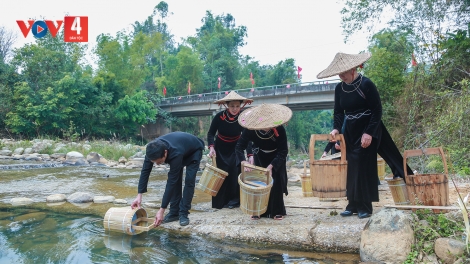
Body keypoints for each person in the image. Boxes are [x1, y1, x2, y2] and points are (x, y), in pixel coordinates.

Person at [317, 52, 413, 219]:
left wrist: (369, 133)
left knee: (365, 166)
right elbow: (339, 112)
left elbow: (377, 110)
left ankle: (365, 206)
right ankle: (352, 203)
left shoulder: (366, 84)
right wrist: (336, 129)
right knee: (352, 167)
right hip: (350, 130)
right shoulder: (340, 88)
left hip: (369, 128)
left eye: (343, 73)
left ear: (353, 69)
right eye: (339, 74)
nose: (341, 76)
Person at [131, 132, 204, 227]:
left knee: (189, 180)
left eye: (160, 162)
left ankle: (183, 213)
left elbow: (171, 182)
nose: (157, 164)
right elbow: (145, 171)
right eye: (155, 162)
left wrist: (161, 210)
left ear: (165, 153)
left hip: (194, 150)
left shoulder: (175, 152)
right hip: (181, 148)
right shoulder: (152, 151)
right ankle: (174, 213)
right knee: (176, 179)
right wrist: (139, 195)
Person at [235, 104, 292, 220]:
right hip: (259, 155)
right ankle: (258, 210)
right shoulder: (250, 130)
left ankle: (277, 210)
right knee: (259, 183)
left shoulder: (280, 129)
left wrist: (271, 166)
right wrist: (244, 161)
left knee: (276, 183)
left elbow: (283, 151)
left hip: (276, 157)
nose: (267, 127)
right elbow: (239, 147)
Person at [207, 91, 253, 209]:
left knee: (235, 173)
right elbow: (211, 133)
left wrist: (250, 155)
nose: (235, 109)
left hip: (236, 148)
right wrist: (211, 147)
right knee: (221, 174)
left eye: (237, 106)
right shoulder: (219, 117)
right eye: (232, 106)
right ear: (227, 105)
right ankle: (220, 202)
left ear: (241, 106)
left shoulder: (243, 118)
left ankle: (234, 201)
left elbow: (247, 137)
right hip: (220, 148)